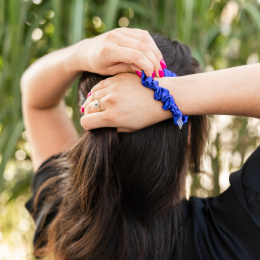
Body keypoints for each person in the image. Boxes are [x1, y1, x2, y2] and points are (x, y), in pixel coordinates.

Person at [21, 28, 260, 260]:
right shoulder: (228, 238)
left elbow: (36, 97)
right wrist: (169, 96)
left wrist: (84, 52)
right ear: (189, 134)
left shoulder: (62, 221)